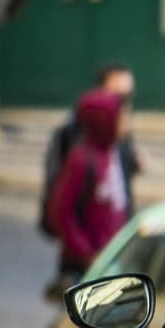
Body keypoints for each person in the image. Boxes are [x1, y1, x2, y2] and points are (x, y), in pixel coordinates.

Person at [46, 89, 133, 293]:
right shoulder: (82, 160)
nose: (127, 122)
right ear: (105, 121)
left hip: (111, 260)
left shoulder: (113, 151)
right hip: (90, 267)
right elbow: (60, 212)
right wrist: (87, 254)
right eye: (121, 117)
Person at [41, 63, 139, 238]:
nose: (125, 106)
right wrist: (85, 252)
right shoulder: (80, 143)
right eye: (120, 97)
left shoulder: (119, 136)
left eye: (128, 97)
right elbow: (62, 209)